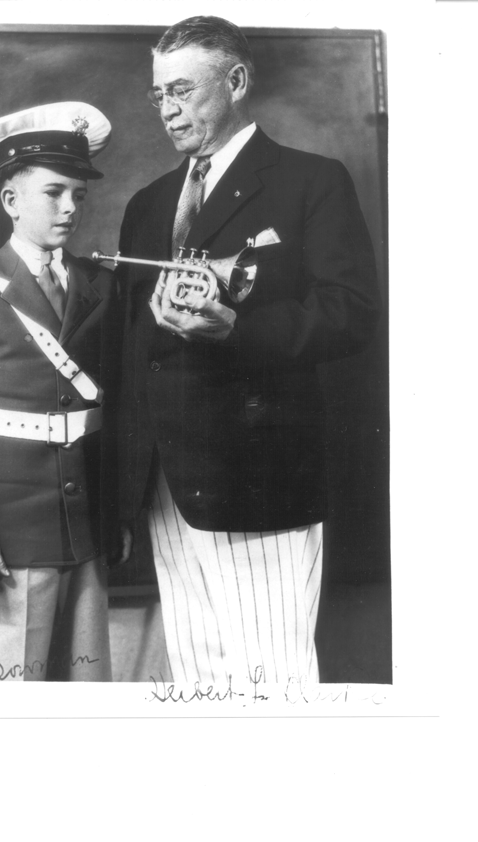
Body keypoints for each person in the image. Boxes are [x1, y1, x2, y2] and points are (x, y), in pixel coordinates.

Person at [115, 17, 381, 687]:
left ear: (235, 81)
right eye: (159, 94)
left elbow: (351, 315)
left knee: (272, 680)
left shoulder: (311, 180)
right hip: (167, 487)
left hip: (260, 478)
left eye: (183, 90)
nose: (167, 109)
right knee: (197, 679)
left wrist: (236, 328)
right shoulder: (148, 204)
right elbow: (134, 349)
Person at [0, 102, 118, 681]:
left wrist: (117, 513)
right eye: (54, 192)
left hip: (87, 525)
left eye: (78, 195)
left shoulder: (99, 284)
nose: (70, 207)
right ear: (11, 200)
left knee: (87, 689)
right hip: (12, 533)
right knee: (13, 692)